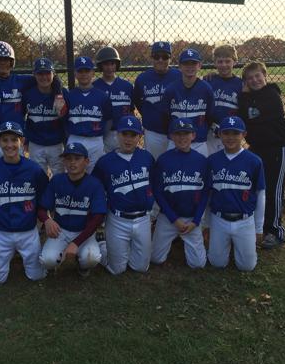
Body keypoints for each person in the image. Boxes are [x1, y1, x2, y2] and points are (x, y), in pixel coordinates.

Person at [0, 121, 49, 284]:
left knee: (37, 276)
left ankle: (21, 257)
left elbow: (42, 199)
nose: (9, 145)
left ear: (21, 141)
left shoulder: (34, 170)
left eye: (14, 140)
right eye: (5, 140)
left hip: (27, 231)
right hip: (0, 232)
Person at [238, 61, 285, 249]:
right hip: (256, 148)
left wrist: (246, 101)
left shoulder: (272, 93)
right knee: (256, 188)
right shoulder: (248, 97)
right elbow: (245, 115)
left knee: (273, 189)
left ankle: (275, 231)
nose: (254, 80)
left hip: (276, 147)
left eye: (257, 76)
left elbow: (253, 115)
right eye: (250, 78)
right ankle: (258, 227)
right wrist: (246, 101)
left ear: (265, 76)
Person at [92, 115, 155, 274]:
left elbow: (154, 182)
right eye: (124, 134)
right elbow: (95, 189)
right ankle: (102, 244)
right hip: (117, 219)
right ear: (117, 134)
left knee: (140, 267)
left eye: (133, 135)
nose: (128, 139)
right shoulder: (105, 161)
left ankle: (124, 248)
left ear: (139, 137)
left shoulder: (147, 157)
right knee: (117, 269)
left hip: (143, 218)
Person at [204, 116, 265, 271]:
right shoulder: (212, 160)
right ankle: (227, 245)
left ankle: (238, 245)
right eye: (226, 133)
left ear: (244, 134)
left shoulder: (254, 161)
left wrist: (258, 228)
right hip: (219, 219)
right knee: (217, 263)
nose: (230, 137)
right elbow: (208, 196)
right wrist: (207, 224)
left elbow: (260, 195)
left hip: (245, 220)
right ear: (219, 134)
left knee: (247, 266)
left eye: (235, 133)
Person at [38, 142, 107, 277]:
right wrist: (47, 220)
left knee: (91, 258)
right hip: (61, 231)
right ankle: (55, 261)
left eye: (77, 158)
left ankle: (82, 265)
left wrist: (76, 243)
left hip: (84, 231)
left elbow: (98, 218)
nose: (72, 162)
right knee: (47, 260)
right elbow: (41, 208)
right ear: (63, 161)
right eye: (68, 158)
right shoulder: (57, 180)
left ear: (86, 161)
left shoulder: (94, 184)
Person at [151, 118, 208, 268]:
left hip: (191, 219)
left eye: (186, 133)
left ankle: (187, 244)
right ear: (171, 136)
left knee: (198, 265)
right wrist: (173, 218)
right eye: (178, 134)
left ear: (193, 135)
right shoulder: (163, 160)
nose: (182, 137)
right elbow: (158, 192)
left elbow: (205, 194)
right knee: (156, 259)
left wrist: (196, 221)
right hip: (168, 218)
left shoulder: (202, 161)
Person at [132, 41, 182, 160]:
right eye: (156, 56)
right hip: (153, 131)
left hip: (176, 130)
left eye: (165, 57)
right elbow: (138, 101)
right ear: (151, 58)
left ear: (170, 58)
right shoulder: (142, 78)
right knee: (154, 163)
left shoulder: (179, 76)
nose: (160, 60)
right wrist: (149, 114)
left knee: (175, 164)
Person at [162, 48, 214, 157]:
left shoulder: (206, 89)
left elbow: (210, 116)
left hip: (199, 141)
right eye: (186, 63)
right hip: (175, 141)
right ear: (180, 66)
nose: (190, 67)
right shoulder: (171, 89)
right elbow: (165, 116)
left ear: (199, 65)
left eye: (193, 63)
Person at [65, 56, 112, 173]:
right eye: (80, 71)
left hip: (96, 139)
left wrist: (101, 136)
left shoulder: (102, 96)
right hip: (75, 138)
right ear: (75, 73)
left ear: (93, 73)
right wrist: (68, 136)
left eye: (87, 70)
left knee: (96, 173)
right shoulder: (69, 96)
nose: (84, 74)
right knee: (73, 173)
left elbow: (109, 119)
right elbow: (64, 120)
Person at [23, 57, 69, 176]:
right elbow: (23, 117)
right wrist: (26, 139)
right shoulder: (28, 94)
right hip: (36, 143)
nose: (44, 77)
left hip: (56, 143)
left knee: (59, 175)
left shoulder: (62, 93)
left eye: (47, 73)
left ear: (53, 74)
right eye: (40, 73)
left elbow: (66, 120)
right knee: (38, 176)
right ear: (34, 75)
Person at [93, 46, 134, 152]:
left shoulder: (127, 86)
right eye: (106, 64)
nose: (109, 67)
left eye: (112, 63)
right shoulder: (94, 86)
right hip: (102, 133)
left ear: (117, 65)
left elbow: (131, 111)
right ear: (100, 65)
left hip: (123, 132)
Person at [205, 44, 243, 156]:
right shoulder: (209, 81)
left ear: (234, 62)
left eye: (227, 61)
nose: (224, 65)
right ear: (214, 63)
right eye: (220, 61)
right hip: (210, 133)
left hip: (231, 132)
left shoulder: (240, 84)